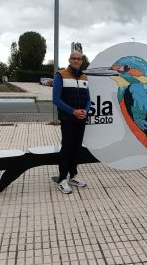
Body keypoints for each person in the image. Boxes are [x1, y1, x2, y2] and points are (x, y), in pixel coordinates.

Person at [52, 51, 91, 194]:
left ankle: (73, 176)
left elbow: (88, 99)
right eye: (74, 58)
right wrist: (73, 111)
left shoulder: (84, 77)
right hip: (68, 119)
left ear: (81, 61)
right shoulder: (60, 75)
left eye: (79, 59)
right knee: (66, 148)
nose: (76, 61)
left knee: (77, 148)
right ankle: (62, 179)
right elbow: (56, 99)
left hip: (81, 119)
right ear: (69, 60)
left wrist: (85, 110)